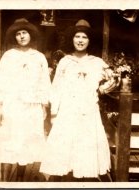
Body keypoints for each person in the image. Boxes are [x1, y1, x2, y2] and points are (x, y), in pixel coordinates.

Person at [39, 19, 116, 181]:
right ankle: (66, 177)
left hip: (88, 111)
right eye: (77, 37)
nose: (80, 40)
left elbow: (113, 79)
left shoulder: (97, 62)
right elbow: (56, 88)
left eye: (84, 37)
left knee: (85, 145)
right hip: (67, 110)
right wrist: (54, 113)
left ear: (89, 41)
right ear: (72, 39)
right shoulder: (65, 62)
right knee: (66, 146)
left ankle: (84, 177)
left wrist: (102, 89)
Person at [0, 18, 51, 182]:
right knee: (9, 139)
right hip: (12, 105)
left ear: (30, 34)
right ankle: (4, 181)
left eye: (24, 33)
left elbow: (44, 82)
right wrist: (0, 105)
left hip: (32, 106)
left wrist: (44, 105)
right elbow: (0, 80)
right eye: (18, 34)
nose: (22, 36)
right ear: (14, 37)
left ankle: (19, 179)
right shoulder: (8, 56)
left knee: (25, 141)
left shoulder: (39, 57)